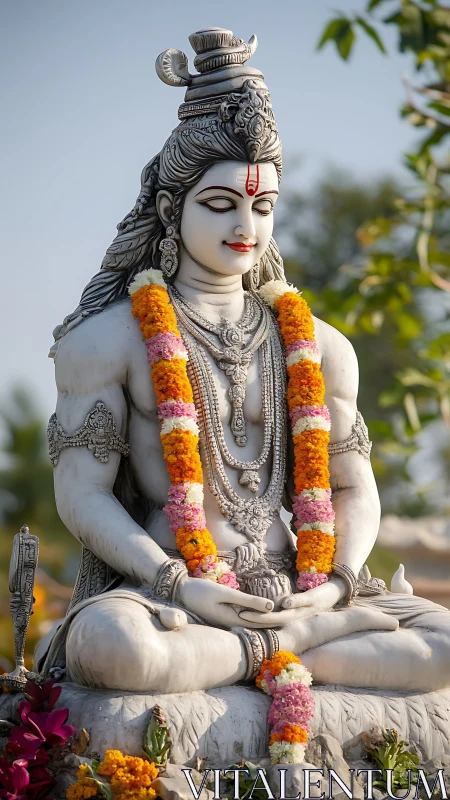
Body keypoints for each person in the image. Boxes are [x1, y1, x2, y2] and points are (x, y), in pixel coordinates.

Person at [41, 28, 450, 695]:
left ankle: (276, 644)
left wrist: (336, 586)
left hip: (303, 587)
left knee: (445, 643)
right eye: (221, 203)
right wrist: (177, 580)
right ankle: (290, 651)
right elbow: (81, 494)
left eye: (263, 207)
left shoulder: (318, 344)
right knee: (112, 647)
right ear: (172, 209)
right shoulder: (106, 341)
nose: (246, 228)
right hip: (178, 593)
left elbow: (351, 487)